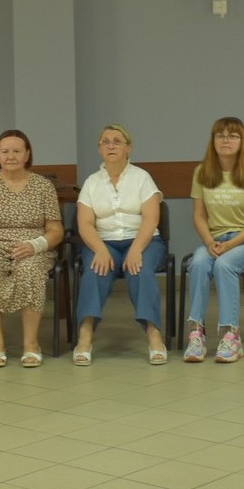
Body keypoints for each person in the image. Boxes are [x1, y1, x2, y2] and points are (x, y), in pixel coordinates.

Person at [0, 129, 63, 367]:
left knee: (29, 270)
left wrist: (35, 245)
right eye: (5, 151)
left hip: (33, 249)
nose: (11, 156)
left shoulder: (43, 186)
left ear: (27, 155)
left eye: (17, 151)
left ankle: (31, 344)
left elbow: (56, 230)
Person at [72, 124, 169, 365]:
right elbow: (85, 223)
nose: (111, 146)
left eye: (117, 141)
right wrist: (100, 249)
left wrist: (136, 249)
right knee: (95, 270)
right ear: (99, 149)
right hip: (103, 242)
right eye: (105, 142)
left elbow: (151, 218)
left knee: (140, 269)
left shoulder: (141, 178)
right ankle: (85, 335)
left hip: (144, 240)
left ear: (129, 148)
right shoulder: (91, 182)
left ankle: (153, 334)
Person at [183, 117, 244, 363]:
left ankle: (231, 337)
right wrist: (209, 241)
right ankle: (196, 334)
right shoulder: (201, 172)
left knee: (224, 265)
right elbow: (199, 215)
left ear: (243, 141)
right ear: (213, 141)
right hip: (213, 240)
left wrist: (230, 245)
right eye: (220, 135)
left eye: (232, 136)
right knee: (198, 263)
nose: (225, 140)